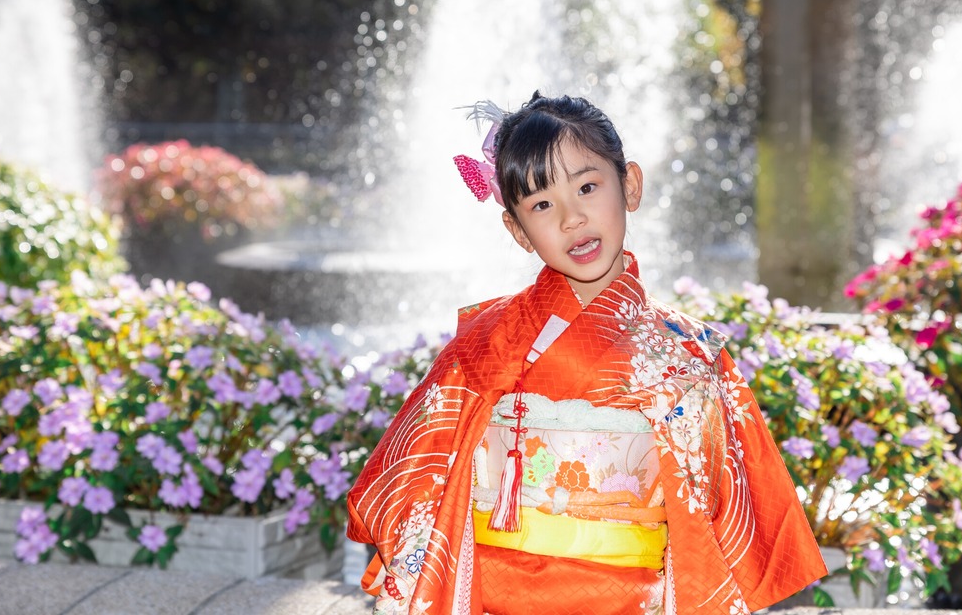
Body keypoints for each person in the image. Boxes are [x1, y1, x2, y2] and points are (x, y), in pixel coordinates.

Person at [346, 93, 826, 614]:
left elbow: (720, 506)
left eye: (588, 187)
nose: (572, 218)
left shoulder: (686, 351)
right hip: (494, 594)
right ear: (518, 230)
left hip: (630, 597)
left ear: (631, 185)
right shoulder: (486, 340)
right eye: (542, 205)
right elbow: (415, 472)